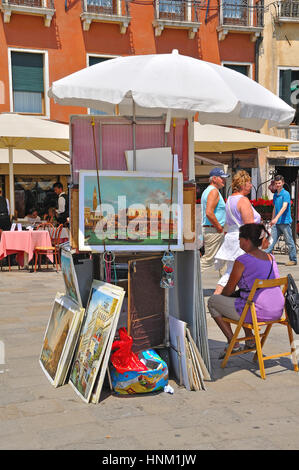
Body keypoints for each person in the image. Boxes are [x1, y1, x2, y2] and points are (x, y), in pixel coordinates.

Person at [208, 223, 285, 358]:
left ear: (247, 240)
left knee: (214, 302)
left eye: (240, 238)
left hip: (258, 312)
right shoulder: (271, 258)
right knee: (243, 299)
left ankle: (233, 342)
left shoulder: (243, 260)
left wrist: (227, 294)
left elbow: (228, 290)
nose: (238, 241)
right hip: (278, 310)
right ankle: (250, 340)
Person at [214, 170, 261, 294]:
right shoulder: (243, 201)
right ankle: (217, 300)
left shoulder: (230, 199)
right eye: (249, 183)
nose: (251, 185)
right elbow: (249, 225)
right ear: (243, 184)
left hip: (232, 237)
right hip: (242, 240)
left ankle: (222, 300)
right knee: (233, 273)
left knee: (233, 272)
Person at [200, 168, 229, 273]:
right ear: (214, 179)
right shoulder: (213, 192)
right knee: (208, 259)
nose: (224, 180)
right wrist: (219, 228)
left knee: (223, 259)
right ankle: (189, 282)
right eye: (222, 178)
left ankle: (225, 287)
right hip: (214, 230)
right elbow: (209, 212)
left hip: (213, 229)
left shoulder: (209, 191)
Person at [265, 175, 297, 266]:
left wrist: (276, 218)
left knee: (289, 241)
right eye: (276, 183)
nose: (278, 185)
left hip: (285, 222)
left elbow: (284, 207)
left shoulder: (286, 193)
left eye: (279, 183)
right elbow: (275, 208)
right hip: (276, 222)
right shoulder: (275, 194)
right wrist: (272, 220)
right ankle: (264, 257)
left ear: (282, 183)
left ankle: (293, 259)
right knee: (271, 241)